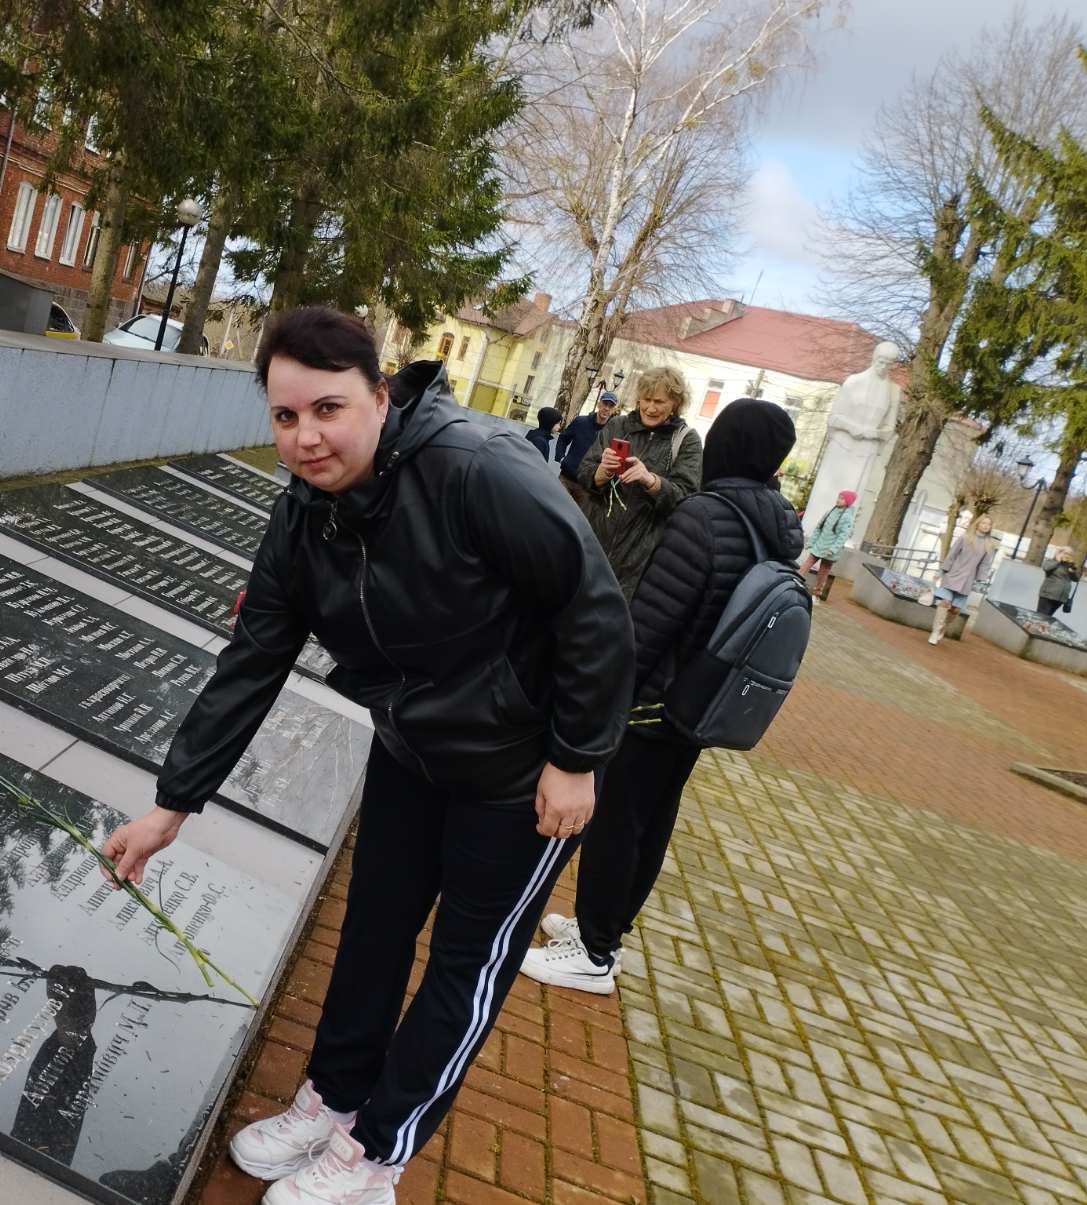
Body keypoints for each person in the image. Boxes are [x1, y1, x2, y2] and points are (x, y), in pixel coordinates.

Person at [100, 306, 634, 1205]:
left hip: (521, 776)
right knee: (374, 929)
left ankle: (377, 1154)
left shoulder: (477, 469)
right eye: (284, 417)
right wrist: (171, 805)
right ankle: (336, 1097)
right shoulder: (303, 518)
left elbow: (594, 608)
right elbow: (252, 661)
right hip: (412, 751)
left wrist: (576, 757)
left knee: (467, 963)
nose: (307, 438)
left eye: (328, 409)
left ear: (380, 396)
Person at [521, 398, 803, 995]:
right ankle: (605, 931)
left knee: (617, 822)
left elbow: (651, 621)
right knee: (653, 817)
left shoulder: (705, 515)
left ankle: (594, 953)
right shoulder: (777, 523)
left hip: (654, 701)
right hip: (703, 701)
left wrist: (606, 694)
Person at [576, 367, 704, 600]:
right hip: (590, 544)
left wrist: (651, 480)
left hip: (638, 563)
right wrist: (601, 473)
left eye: (659, 402)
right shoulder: (618, 426)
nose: (650, 408)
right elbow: (584, 472)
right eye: (646, 399)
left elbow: (686, 500)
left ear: (675, 403)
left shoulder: (686, 440)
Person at [929, 516, 997, 645]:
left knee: (955, 610)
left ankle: (942, 628)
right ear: (977, 524)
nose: (986, 525)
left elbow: (985, 565)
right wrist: (942, 571)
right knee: (944, 603)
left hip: (968, 580)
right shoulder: (965, 537)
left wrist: (980, 580)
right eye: (983, 522)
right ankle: (935, 631)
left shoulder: (989, 545)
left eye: (989, 524)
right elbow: (952, 554)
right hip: (952, 575)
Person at [554, 389, 620, 490]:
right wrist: (561, 457)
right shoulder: (580, 421)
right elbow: (563, 438)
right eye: (604, 404)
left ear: (614, 410)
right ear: (599, 404)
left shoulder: (613, 432)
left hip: (588, 487)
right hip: (566, 478)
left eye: (610, 406)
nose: (606, 408)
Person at [799, 490, 857, 599]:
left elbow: (843, 536)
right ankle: (795, 580)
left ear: (848, 502)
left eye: (842, 498)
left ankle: (816, 595)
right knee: (805, 565)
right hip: (819, 545)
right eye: (838, 497)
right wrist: (811, 542)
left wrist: (833, 549)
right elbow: (818, 528)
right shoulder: (830, 512)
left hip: (830, 551)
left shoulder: (848, 518)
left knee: (823, 573)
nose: (838, 500)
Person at [1038, 550, 1080, 617]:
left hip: (1061, 598)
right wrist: (1059, 561)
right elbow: (1046, 568)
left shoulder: (1069, 566)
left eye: (1070, 555)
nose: (1068, 556)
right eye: (1066, 553)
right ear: (1059, 553)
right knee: (1041, 616)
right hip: (1048, 595)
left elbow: (1076, 579)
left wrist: (1073, 571)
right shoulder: (1052, 562)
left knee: (1048, 617)